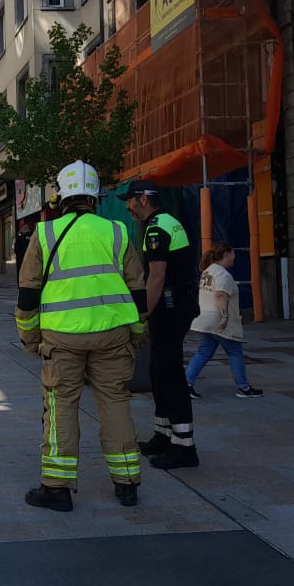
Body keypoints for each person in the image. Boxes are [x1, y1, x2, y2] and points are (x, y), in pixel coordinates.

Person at [16, 161, 148, 512]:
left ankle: (57, 489)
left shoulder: (44, 235)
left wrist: (30, 339)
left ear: (60, 195)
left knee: (60, 408)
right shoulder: (118, 231)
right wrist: (136, 334)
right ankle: (127, 484)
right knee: (116, 403)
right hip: (113, 335)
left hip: (62, 340)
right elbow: (137, 291)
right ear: (95, 196)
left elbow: (28, 293)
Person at [120, 179, 201, 470]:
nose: (127, 206)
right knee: (157, 371)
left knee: (170, 375)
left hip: (169, 308)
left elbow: (156, 276)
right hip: (178, 305)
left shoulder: (156, 228)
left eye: (129, 199)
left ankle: (184, 446)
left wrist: (143, 313)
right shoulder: (169, 222)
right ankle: (163, 435)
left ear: (143, 199)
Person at [186, 242, 264, 399]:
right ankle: (243, 387)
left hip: (203, 319)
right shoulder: (223, 275)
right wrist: (225, 316)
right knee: (235, 352)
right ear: (226, 254)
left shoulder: (207, 271)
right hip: (218, 319)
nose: (234, 257)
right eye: (233, 253)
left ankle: (186, 383)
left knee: (203, 352)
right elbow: (221, 295)